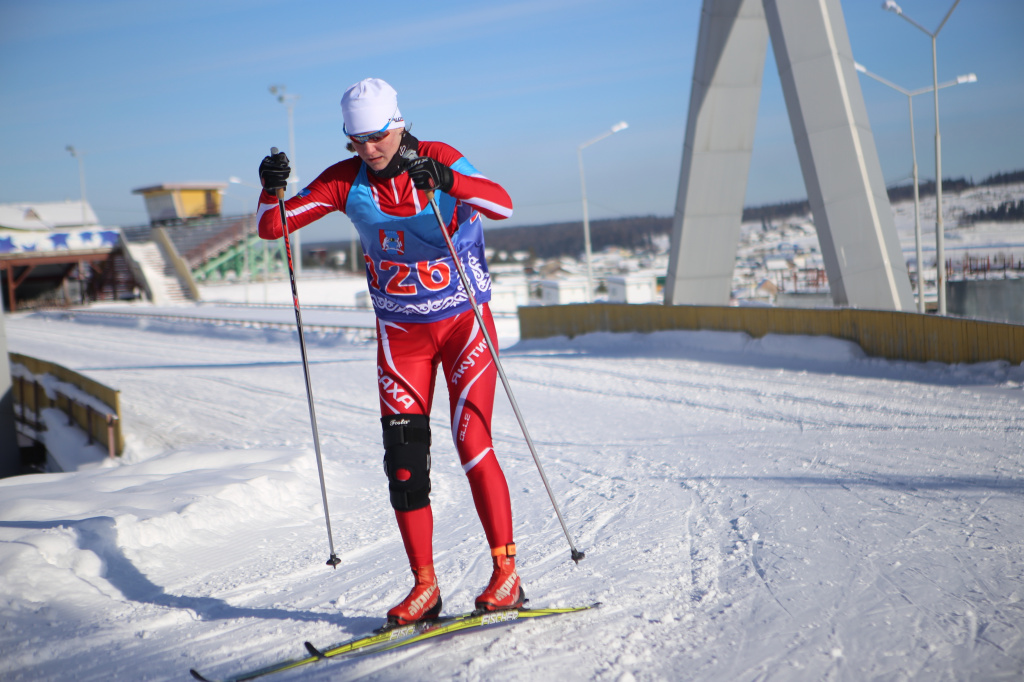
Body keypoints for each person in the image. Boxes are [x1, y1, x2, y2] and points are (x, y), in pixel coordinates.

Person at [256, 78, 523, 627]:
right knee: (403, 464)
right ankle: (425, 586)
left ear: (398, 123)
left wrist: (450, 180)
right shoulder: (343, 180)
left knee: (471, 439)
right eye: (356, 140)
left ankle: (506, 574)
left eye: (376, 136)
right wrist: (270, 189)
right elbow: (272, 228)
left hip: (463, 324)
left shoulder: (436, 157)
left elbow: (503, 204)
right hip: (401, 336)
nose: (368, 149)